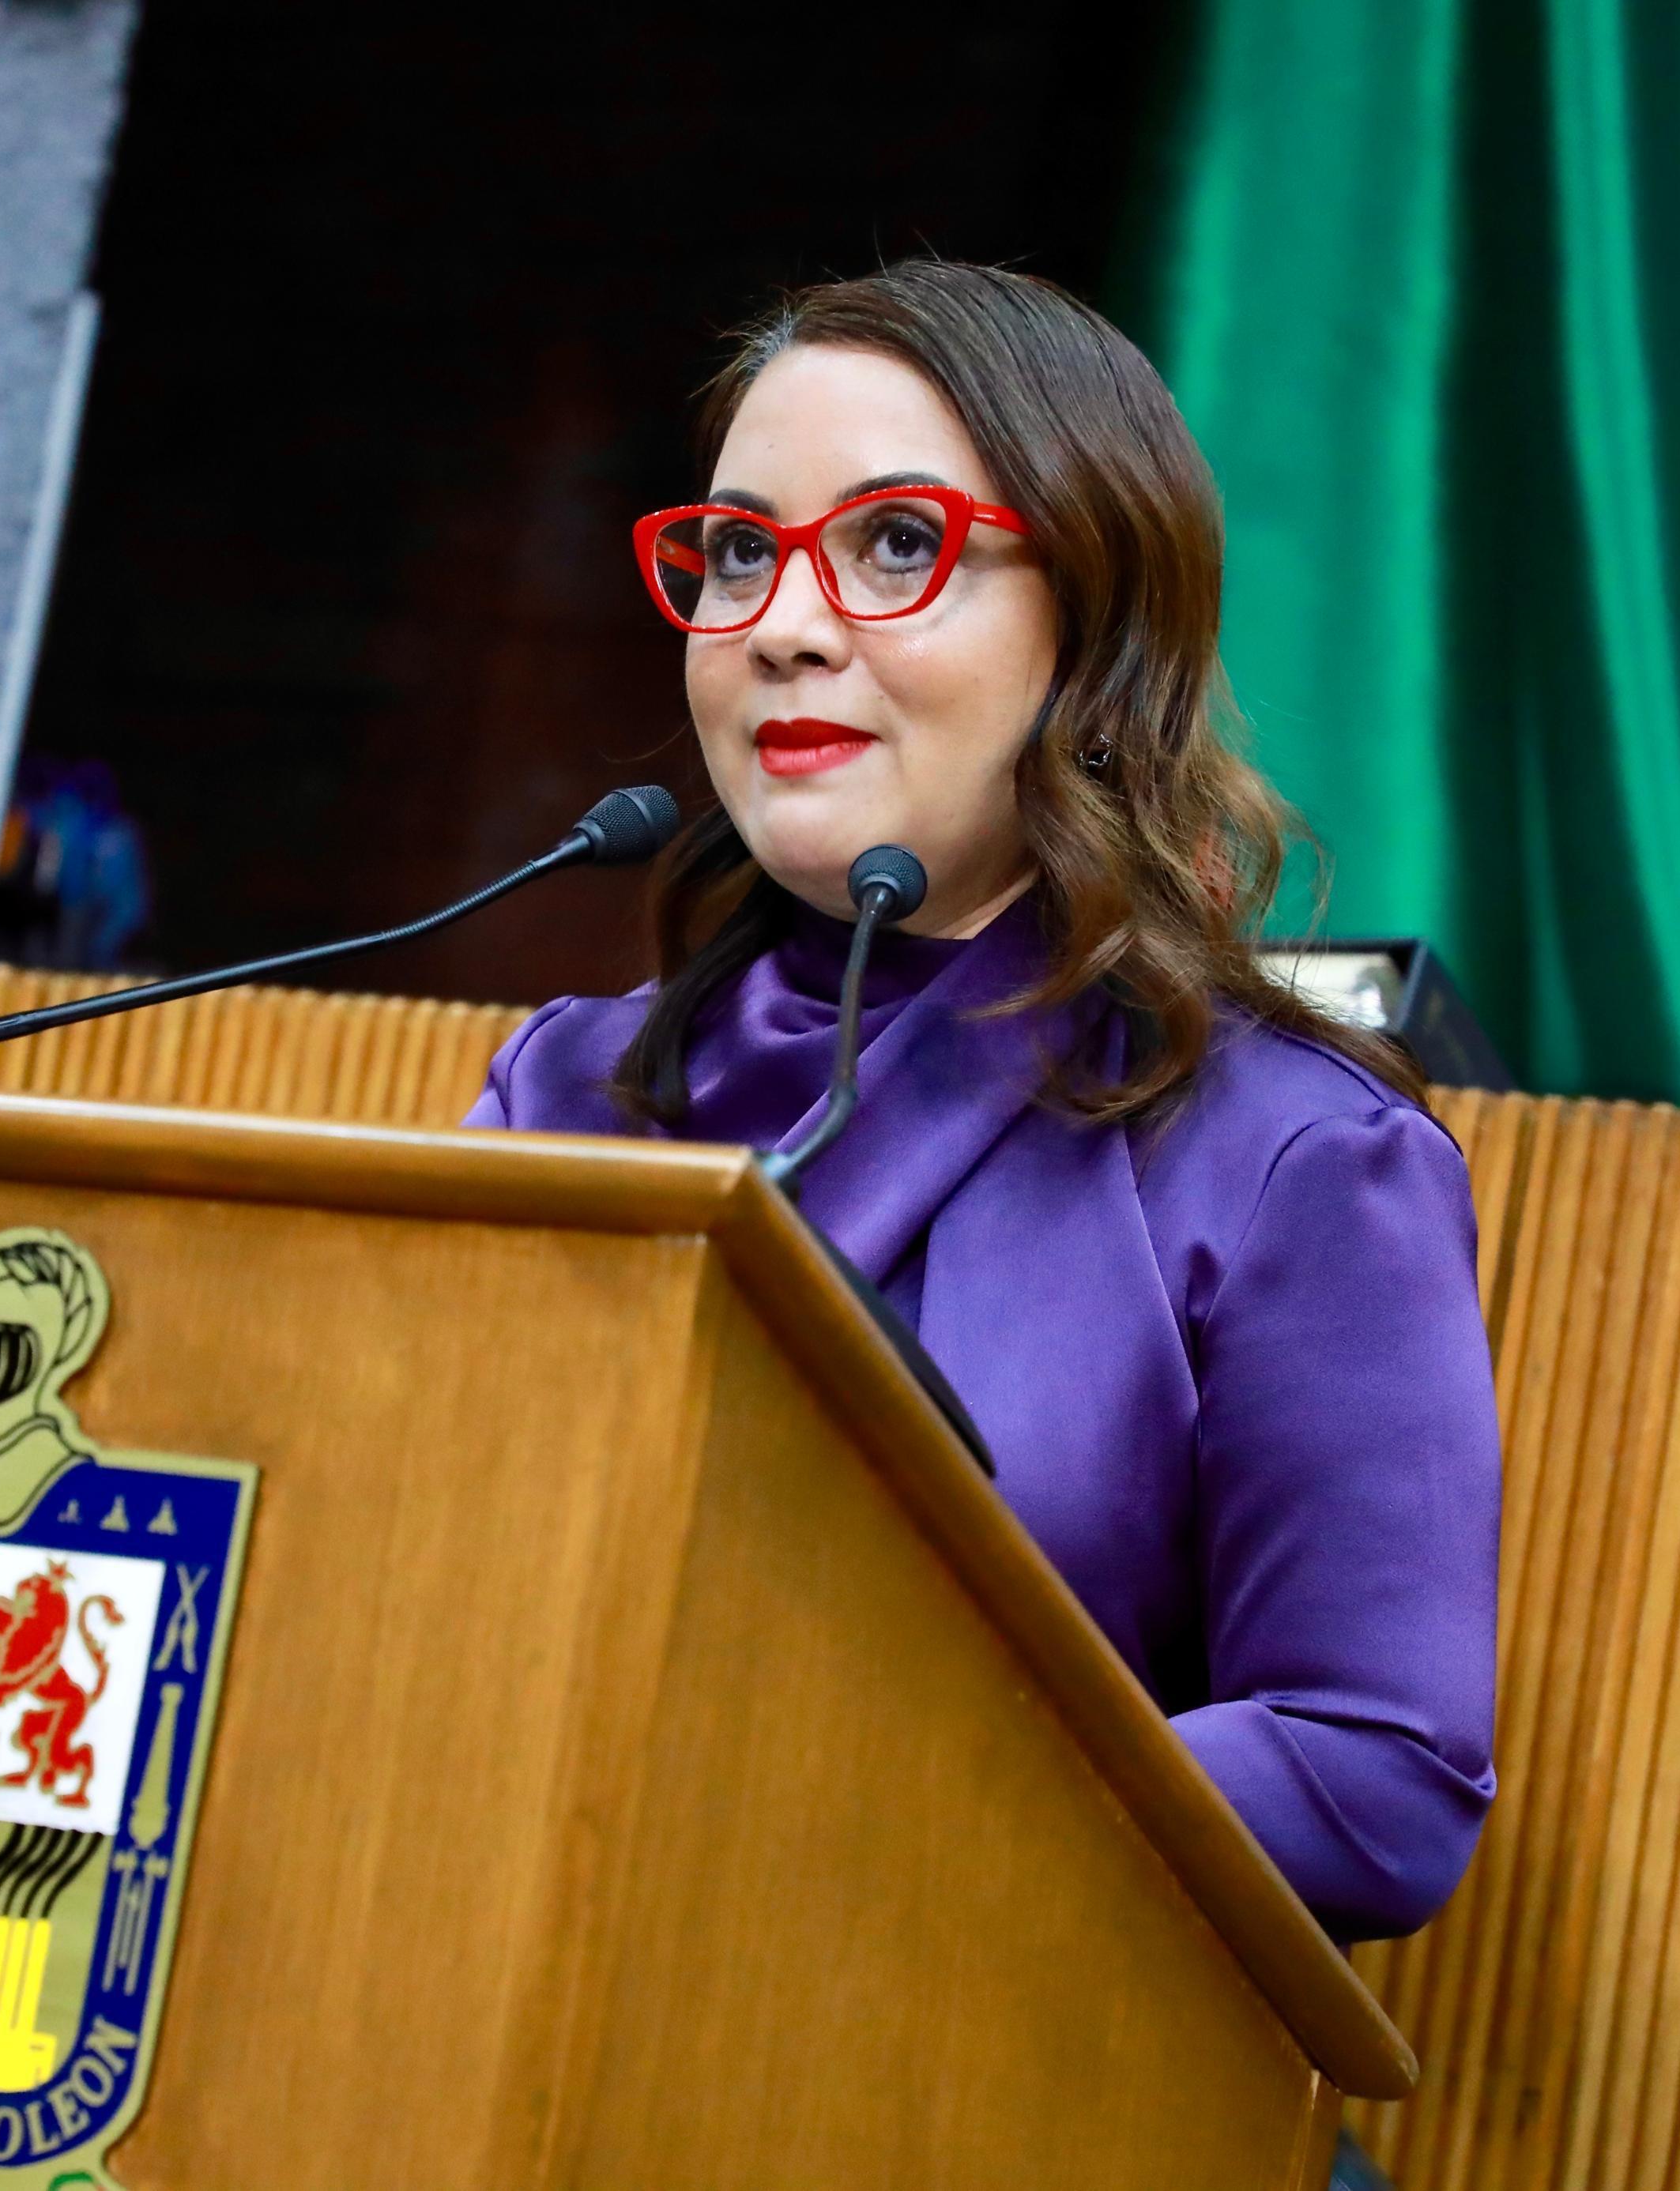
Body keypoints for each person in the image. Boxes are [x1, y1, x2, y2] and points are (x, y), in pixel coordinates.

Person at [469, 262, 1500, 1944]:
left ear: (1091, 623)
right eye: (739, 551)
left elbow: (1374, 1776)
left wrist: (826, 1794)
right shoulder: (571, 1088)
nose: (787, 624)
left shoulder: (1292, 1160)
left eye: (894, 545)